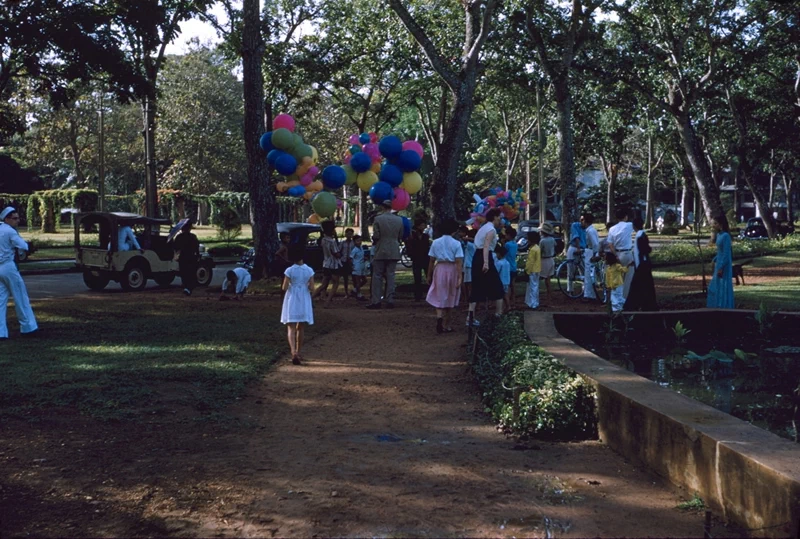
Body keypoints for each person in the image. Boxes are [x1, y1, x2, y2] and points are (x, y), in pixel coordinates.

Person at [0, 207, 38, 339]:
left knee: (1, 299)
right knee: (20, 296)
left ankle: (1, 331)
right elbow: (23, 246)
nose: (17, 221)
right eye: (15, 218)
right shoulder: (10, 231)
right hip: (8, 266)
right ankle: (28, 327)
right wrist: (29, 246)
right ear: (7, 219)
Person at [467, 208, 505, 326]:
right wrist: (486, 263)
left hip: (477, 257)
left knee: (476, 288)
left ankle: (470, 318)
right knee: (498, 288)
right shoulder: (491, 229)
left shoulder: (483, 227)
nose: (501, 220)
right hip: (485, 257)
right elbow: (486, 246)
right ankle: (498, 316)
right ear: (494, 217)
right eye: (500, 217)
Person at [425, 219, 464, 333]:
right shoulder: (456, 243)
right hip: (452, 269)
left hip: (440, 269)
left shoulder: (436, 242)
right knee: (451, 294)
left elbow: (431, 260)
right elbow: (458, 262)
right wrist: (460, 277)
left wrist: (429, 275)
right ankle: (447, 325)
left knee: (439, 294)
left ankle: (439, 317)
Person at [281, 245, 315, 365]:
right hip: (304, 297)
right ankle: (299, 352)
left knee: (291, 326)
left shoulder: (289, 270)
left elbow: (284, 287)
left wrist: (292, 286)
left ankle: (293, 351)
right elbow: (312, 287)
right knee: (301, 327)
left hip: (292, 297)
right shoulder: (309, 270)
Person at [367, 199, 404, 309]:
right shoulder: (399, 220)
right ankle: (390, 299)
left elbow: (376, 236)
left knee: (377, 275)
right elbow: (400, 235)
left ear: (382, 207)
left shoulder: (378, 219)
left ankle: (376, 300)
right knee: (391, 275)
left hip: (381, 249)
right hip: (393, 248)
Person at [624, 217, 657, 311]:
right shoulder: (641, 235)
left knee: (636, 286)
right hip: (642, 264)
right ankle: (645, 305)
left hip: (642, 266)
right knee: (645, 286)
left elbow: (644, 250)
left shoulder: (639, 236)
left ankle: (631, 307)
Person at [312, 220, 343, 307]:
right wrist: (340, 254)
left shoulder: (323, 240)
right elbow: (336, 254)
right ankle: (327, 302)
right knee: (335, 283)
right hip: (334, 264)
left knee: (324, 284)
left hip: (326, 263)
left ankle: (311, 298)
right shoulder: (332, 242)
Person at [707, 215, 734, 309]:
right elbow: (720, 251)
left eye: (715, 223)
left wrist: (721, 267)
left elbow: (726, 253)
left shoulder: (726, 236)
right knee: (715, 285)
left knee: (724, 284)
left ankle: (724, 305)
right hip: (719, 262)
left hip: (724, 265)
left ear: (721, 224)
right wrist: (714, 260)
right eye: (713, 223)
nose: (713, 225)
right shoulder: (719, 235)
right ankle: (717, 304)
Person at [607, 209, 635, 299]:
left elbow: (610, 244)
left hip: (617, 253)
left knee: (617, 276)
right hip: (627, 253)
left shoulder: (612, 229)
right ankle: (625, 297)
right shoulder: (629, 225)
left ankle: (616, 297)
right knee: (628, 277)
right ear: (625, 217)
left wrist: (615, 255)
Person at [406, 218, 431, 301]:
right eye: (422, 225)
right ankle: (418, 295)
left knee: (428, 276)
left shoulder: (425, 236)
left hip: (425, 258)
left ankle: (430, 294)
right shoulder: (412, 236)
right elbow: (409, 247)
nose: (423, 227)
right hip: (417, 258)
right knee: (417, 278)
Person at [173, 221, 200, 296]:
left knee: (184, 273)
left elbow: (175, 247)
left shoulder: (179, 237)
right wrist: (198, 256)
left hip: (182, 257)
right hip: (191, 257)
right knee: (191, 273)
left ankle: (186, 287)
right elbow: (196, 247)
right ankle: (189, 288)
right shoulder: (193, 237)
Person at [581, 213, 600, 301]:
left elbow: (595, 244)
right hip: (589, 250)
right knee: (589, 273)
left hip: (590, 251)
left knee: (588, 273)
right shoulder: (590, 230)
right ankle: (590, 293)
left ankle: (588, 295)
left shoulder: (590, 231)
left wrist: (595, 254)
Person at [566, 218, 587, 295]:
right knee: (571, 269)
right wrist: (578, 248)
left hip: (583, 249)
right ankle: (570, 290)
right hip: (574, 247)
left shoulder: (588, 228)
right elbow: (576, 237)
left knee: (584, 270)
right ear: (582, 221)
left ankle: (584, 290)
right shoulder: (575, 225)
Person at [538, 222, 556, 302]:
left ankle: (538, 295)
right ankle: (549, 294)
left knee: (539, 277)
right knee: (548, 279)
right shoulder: (552, 239)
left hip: (544, 260)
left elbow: (540, 251)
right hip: (551, 259)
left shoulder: (542, 241)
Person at [524, 230, 541, 309]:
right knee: (535, 286)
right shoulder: (537, 248)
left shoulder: (533, 249)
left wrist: (527, 270)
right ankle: (534, 302)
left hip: (532, 270)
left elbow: (530, 262)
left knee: (532, 287)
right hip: (537, 269)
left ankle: (533, 303)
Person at [503, 225, 518, 308]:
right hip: (514, 266)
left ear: (509, 235)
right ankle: (514, 302)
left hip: (508, 267)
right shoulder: (515, 244)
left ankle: (508, 303)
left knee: (507, 285)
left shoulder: (507, 244)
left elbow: (503, 252)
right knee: (513, 285)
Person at [350, 235, 368, 301]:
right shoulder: (354, 250)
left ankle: (355, 290)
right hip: (357, 266)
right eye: (357, 241)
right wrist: (352, 266)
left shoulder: (361, 248)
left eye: (360, 240)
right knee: (358, 281)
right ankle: (358, 294)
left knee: (364, 280)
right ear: (354, 242)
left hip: (362, 266)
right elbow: (350, 258)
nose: (359, 242)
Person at [494, 244, 511, 313]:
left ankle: (500, 309)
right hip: (506, 281)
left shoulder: (499, 263)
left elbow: (496, 272)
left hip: (500, 281)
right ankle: (508, 306)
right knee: (505, 295)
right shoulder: (507, 262)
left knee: (500, 296)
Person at [461, 228, 476, 308]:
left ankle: (468, 299)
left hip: (468, 265)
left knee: (467, 284)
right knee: (468, 284)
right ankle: (468, 298)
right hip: (471, 264)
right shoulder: (476, 244)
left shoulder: (470, 244)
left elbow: (463, 239)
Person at [340, 228, 355, 297]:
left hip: (352, 261)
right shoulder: (342, 243)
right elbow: (339, 251)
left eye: (351, 234)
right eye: (348, 234)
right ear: (345, 234)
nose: (349, 235)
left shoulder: (354, 243)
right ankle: (346, 292)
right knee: (345, 277)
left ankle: (355, 290)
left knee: (354, 277)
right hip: (344, 261)